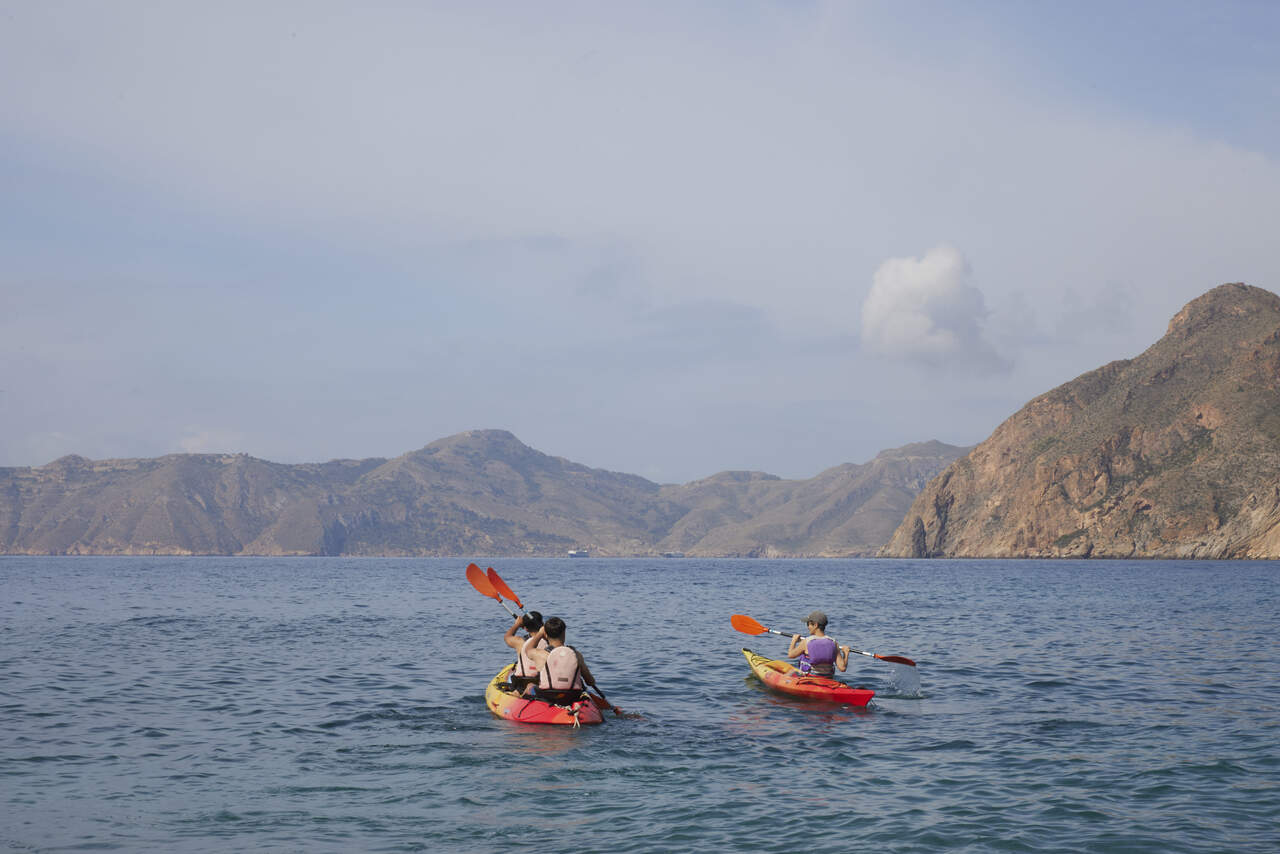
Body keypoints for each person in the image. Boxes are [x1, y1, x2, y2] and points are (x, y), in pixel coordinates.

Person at [521, 616, 599, 705]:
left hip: (547, 695)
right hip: (572, 695)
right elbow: (590, 681)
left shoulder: (540, 655)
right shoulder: (576, 655)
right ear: (564, 633)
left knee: (530, 686)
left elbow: (528, 649)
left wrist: (540, 633)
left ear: (545, 634)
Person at [788, 610, 849, 677]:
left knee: (791, 672)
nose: (808, 627)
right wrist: (846, 654)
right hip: (828, 679)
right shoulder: (834, 642)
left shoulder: (806, 641)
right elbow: (842, 668)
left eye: (808, 624)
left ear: (815, 625)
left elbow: (791, 655)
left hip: (810, 678)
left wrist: (794, 640)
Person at [503, 611, 545, 696]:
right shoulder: (550, 641)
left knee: (509, 672)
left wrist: (517, 625)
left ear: (525, 628)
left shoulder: (520, 642)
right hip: (540, 681)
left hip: (522, 682)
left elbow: (507, 637)